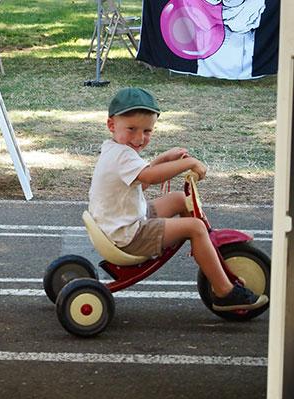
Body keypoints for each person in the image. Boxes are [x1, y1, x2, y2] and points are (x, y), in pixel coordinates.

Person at [88, 87, 268, 311]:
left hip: (120, 220)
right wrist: (188, 164)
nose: (139, 138)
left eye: (147, 131)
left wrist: (163, 158)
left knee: (178, 199)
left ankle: (203, 244)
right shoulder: (122, 155)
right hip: (128, 234)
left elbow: (141, 181)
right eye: (132, 129)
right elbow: (150, 178)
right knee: (195, 227)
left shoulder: (115, 149)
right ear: (112, 125)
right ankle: (225, 292)